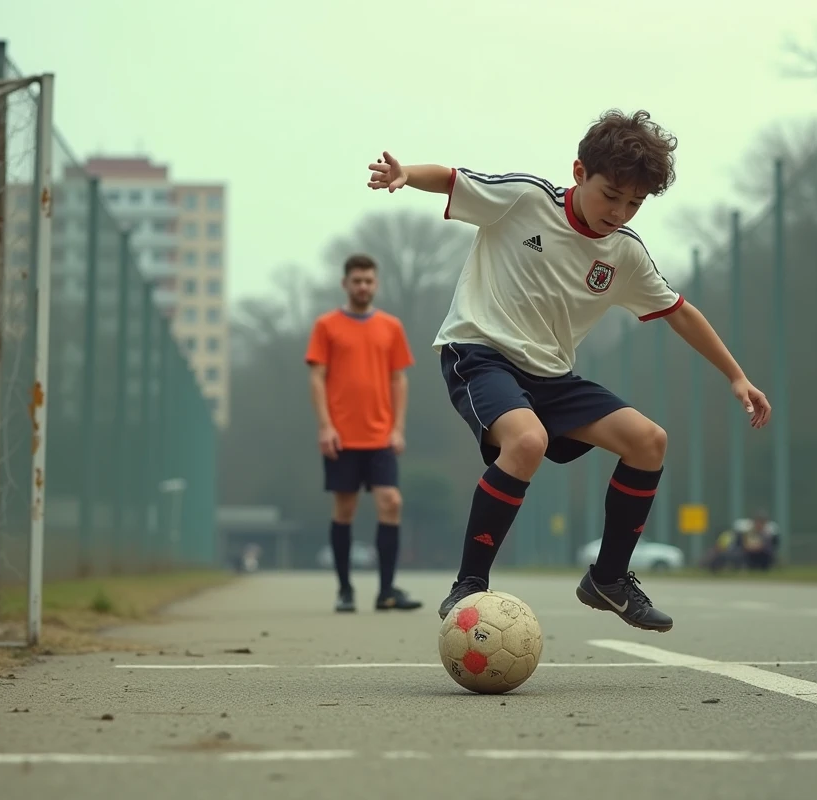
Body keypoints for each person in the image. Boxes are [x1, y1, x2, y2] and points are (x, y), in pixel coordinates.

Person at [365, 109, 771, 633]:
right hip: (480, 351)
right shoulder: (526, 199)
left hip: (551, 375)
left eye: (635, 203)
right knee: (527, 442)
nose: (620, 211)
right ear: (579, 173)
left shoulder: (624, 254)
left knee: (649, 440)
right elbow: (451, 178)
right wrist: (405, 174)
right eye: (611, 195)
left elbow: (680, 312)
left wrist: (736, 376)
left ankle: (608, 578)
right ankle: (469, 584)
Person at [305, 254, 423, 613]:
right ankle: (345, 589)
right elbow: (316, 377)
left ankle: (386, 590)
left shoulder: (391, 327)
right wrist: (325, 426)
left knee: (391, 501)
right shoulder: (326, 326)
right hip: (342, 436)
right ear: (345, 283)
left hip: (381, 437)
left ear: (377, 284)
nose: (362, 286)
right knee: (345, 508)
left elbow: (399, 378)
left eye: (368, 280)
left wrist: (398, 428)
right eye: (356, 280)